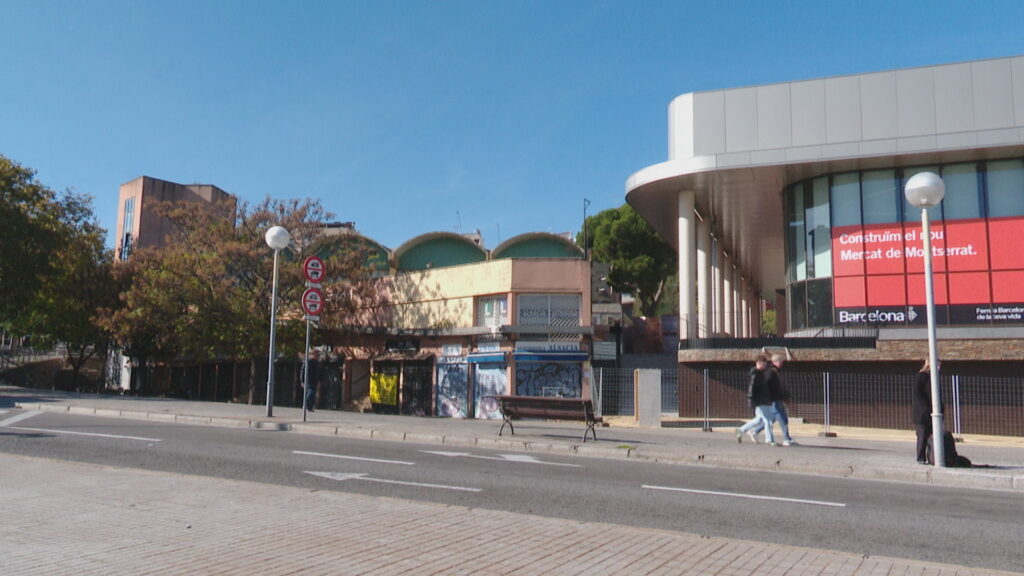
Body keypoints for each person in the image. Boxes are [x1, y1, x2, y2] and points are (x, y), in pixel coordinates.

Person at [746, 353, 797, 446]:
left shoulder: (775, 371)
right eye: (780, 362)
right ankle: (786, 438)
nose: (782, 364)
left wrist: (784, 396)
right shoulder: (771, 371)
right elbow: (768, 385)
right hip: (773, 399)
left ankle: (755, 431)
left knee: (772, 418)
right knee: (781, 417)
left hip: (776, 398)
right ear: (775, 362)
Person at [736, 354, 779, 446]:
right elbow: (752, 389)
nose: (765, 365)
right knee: (768, 421)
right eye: (764, 364)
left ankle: (741, 430)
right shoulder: (757, 374)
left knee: (759, 420)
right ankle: (769, 439)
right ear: (759, 363)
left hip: (763, 400)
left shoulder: (760, 373)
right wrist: (752, 400)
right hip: (761, 401)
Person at [913, 359, 941, 464]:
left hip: (932, 412)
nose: (939, 368)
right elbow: (919, 394)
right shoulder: (922, 376)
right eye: (937, 365)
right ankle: (920, 457)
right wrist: (926, 408)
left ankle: (931, 457)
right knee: (922, 435)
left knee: (932, 436)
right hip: (922, 413)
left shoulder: (934, 377)